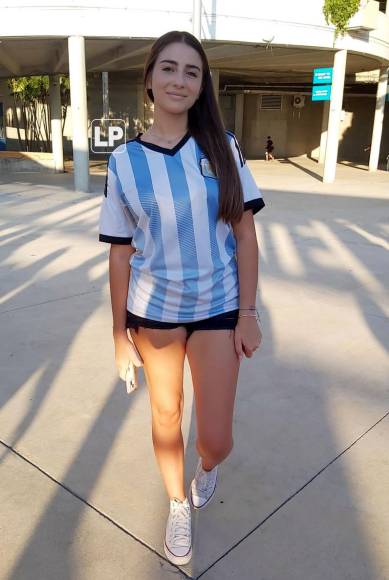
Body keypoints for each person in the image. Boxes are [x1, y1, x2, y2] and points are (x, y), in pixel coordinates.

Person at [98, 30, 265, 566]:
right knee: (166, 415)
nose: (179, 79)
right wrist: (120, 336)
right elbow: (121, 253)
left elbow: (245, 235)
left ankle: (206, 468)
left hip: (217, 306)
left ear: (201, 86)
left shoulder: (223, 147)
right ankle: (176, 504)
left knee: (215, 437)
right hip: (154, 312)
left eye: (191, 72)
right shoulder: (124, 161)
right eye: (168, 68)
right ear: (149, 79)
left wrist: (248, 313)